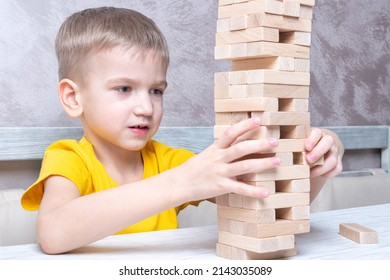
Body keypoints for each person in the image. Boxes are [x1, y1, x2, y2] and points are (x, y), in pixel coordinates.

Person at [21, 7, 343, 255]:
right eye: (123, 88)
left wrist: (315, 162)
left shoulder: (170, 160)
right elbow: (53, 234)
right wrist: (182, 183)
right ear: (73, 97)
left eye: (156, 91)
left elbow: (266, 202)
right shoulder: (69, 158)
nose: (146, 107)